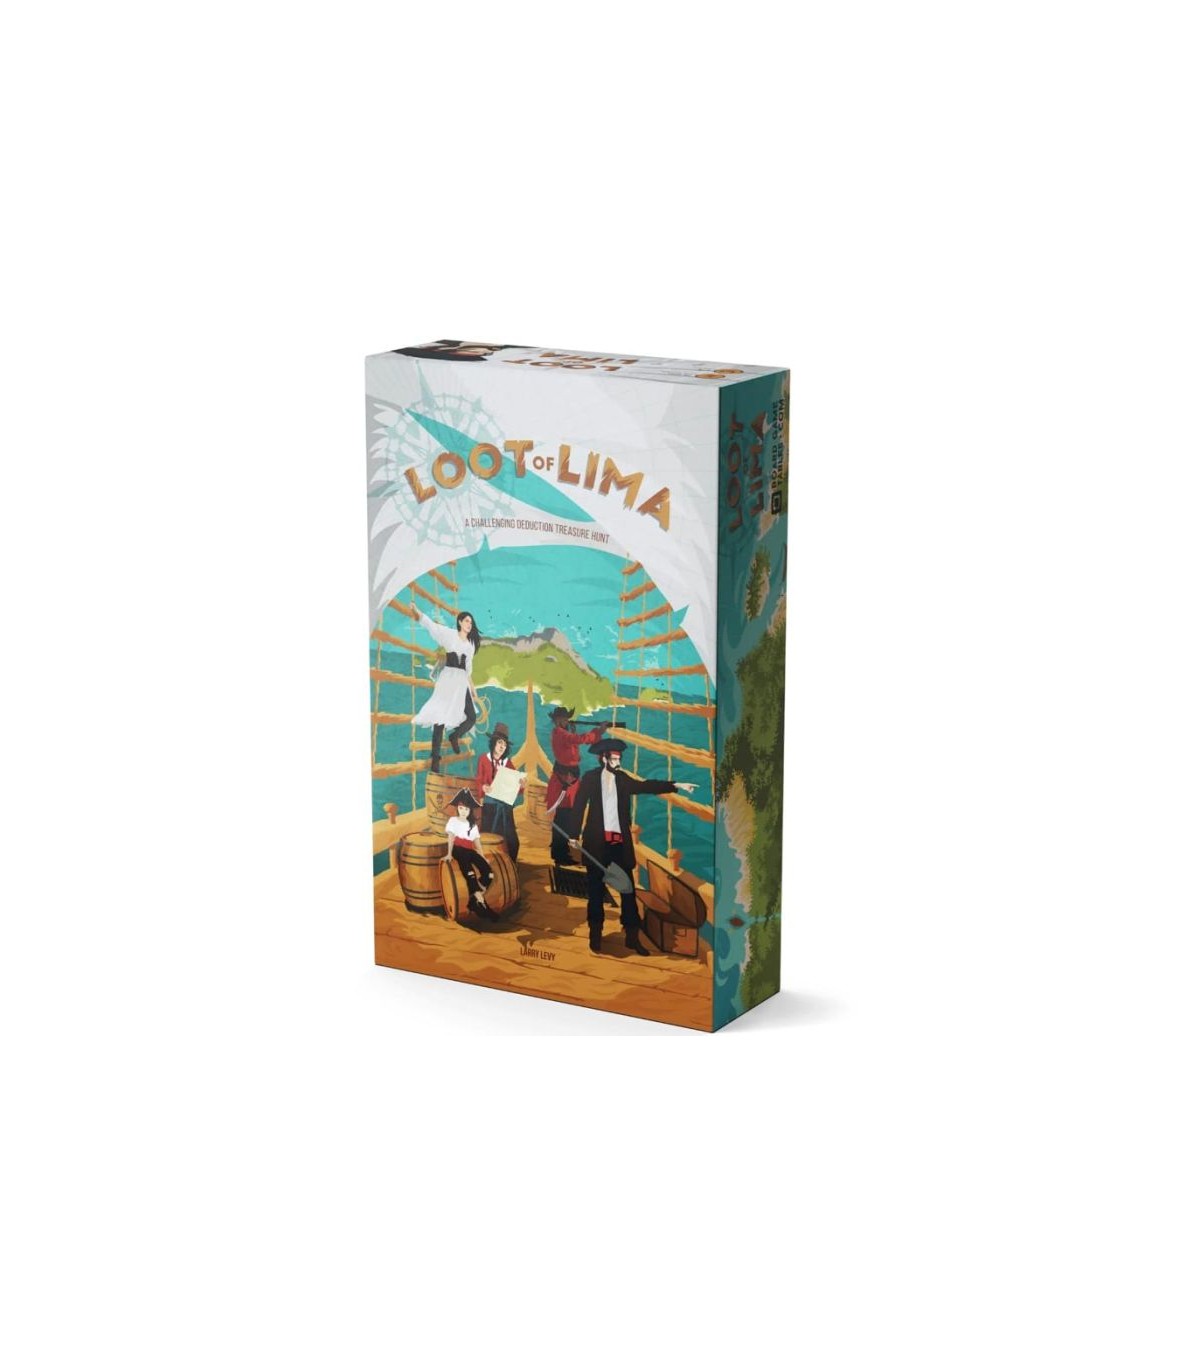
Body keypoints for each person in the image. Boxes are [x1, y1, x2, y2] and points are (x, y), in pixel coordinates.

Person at [575, 738, 697, 956]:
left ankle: (632, 938)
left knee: (628, 892)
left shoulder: (622, 779)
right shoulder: (590, 778)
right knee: (595, 892)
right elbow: (578, 806)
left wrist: (676, 785)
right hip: (596, 845)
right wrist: (573, 835)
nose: (618, 762)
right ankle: (595, 936)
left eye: (619, 758)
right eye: (614, 759)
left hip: (619, 846)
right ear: (604, 759)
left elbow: (645, 786)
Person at [406, 605, 482, 773]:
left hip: (461, 682)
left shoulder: (470, 646)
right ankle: (435, 758)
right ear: (460, 622)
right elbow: (432, 627)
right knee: (439, 719)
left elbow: (468, 669)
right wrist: (418, 612)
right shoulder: (449, 635)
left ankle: (455, 735)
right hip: (448, 681)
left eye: (471, 622)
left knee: (471, 717)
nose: (469, 624)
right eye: (467, 621)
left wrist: (472, 687)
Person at [544, 706, 609, 866]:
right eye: (563, 718)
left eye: (566, 718)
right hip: (564, 781)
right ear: (557, 720)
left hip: (570, 779)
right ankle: (560, 853)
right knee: (563, 817)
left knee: (568, 816)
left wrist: (576, 731)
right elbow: (579, 739)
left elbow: (573, 748)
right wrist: (598, 732)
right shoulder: (560, 733)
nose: (566, 721)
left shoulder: (564, 733)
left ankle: (560, 850)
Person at [443, 788, 495, 920]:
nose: (463, 811)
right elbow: (451, 838)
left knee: (489, 873)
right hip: (458, 850)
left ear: (470, 810)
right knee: (470, 874)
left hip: (469, 850)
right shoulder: (453, 821)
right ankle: (482, 905)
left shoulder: (473, 825)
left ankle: (474, 900)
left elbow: (477, 844)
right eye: (461, 808)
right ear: (457, 808)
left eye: (466, 809)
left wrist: (482, 857)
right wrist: (449, 854)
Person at [476, 722, 524, 861]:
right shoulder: (484, 759)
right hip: (489, 807)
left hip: (505, 808)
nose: (502, 746)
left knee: (512, 842)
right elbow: (478, 780)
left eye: (505, 744)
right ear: (493, 743)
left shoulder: (508, 763)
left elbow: (516, 788)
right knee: (489, 839)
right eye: (499, 743)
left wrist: (521, 784)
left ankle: (509, 866)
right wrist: (483, 787)